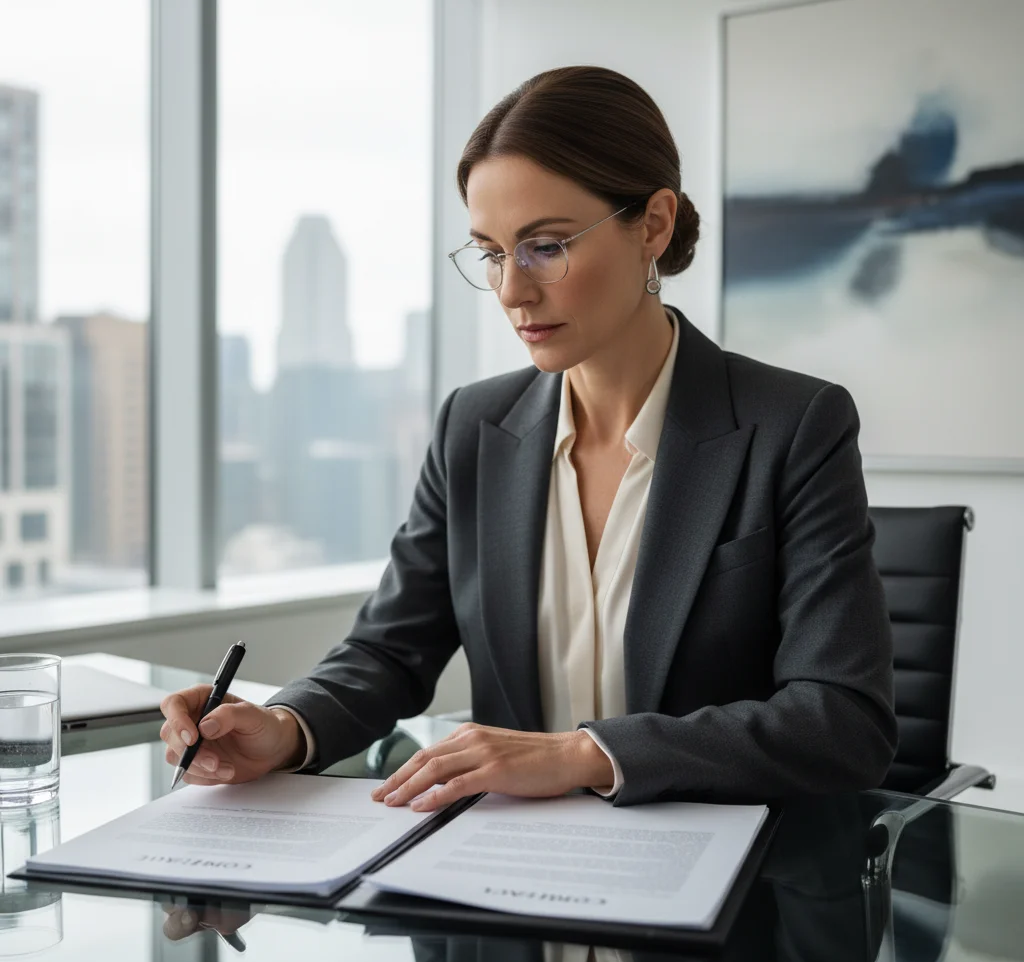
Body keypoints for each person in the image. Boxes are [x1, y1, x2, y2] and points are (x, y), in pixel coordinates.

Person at [160, 65, 897, 812]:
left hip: (724, 884)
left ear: (654, 224)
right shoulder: (474, 428)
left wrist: (584, 755)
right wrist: (285, 726)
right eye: (490, 251)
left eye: (544, 246)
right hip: (510, 877)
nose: (511, 290)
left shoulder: (794, 426)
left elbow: (843, 722)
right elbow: (389, 650)